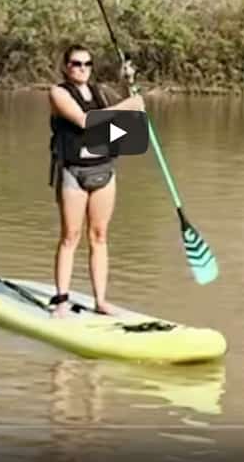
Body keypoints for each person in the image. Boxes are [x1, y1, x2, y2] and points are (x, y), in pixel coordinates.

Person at [48, 44, 144, 318]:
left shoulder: (101, 92)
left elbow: (123, 120)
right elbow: (84, 121)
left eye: (87, 64)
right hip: (73, 173)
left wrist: (129, 86)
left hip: (103, 170)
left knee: (99, 236)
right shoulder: (58, 93)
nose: (82, 69)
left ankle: (101, 301)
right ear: (66, 67)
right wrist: (130, 105)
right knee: (70, 237)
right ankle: (61, 301)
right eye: (76, 64)